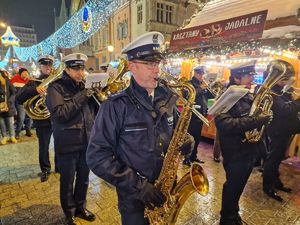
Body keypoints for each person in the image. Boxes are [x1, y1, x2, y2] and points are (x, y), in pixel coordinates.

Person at [86, 32, 193, 225]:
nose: (156, 70)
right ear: (133, 67)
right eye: (150, 64)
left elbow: (178, 131)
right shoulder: (115, 105)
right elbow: (96, 157)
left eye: (158, 64)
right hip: (134, 198)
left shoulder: (168, 97)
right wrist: (139, 186)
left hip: (166, 189)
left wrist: (187, 140)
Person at [215, 61, 272, 225]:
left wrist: (264, 118)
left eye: (252, 76)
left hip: (248, 149)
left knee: (238, 186)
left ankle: (233, 213)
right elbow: (224, 124)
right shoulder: (227, 96)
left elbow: (251, 117)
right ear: (237, 78)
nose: (252, 79)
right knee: (233, 186)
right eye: (248, 76)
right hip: (235, 151)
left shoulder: (246, 94)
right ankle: (227, 219)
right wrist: (256, 120)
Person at [46, 53, 98, 225]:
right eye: (76, 68)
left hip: (87, 141)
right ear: (67, 69)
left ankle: (80, 208)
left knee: (84, 179)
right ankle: (69, 213)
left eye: (82, 68)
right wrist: (84, 94)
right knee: (67, 181)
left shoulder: (84, 86)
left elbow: (94, 113)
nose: (80, 72)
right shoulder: (56, 88)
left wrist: (99, 96)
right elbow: (60, 114)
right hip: (67, 143)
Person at [16, 55, 58, 182]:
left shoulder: (57, 81)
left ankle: (60, 166)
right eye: (45, 65)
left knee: (60, 144)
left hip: (57, 118)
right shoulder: (33, 81)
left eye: (50, 65)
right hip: (43, 120)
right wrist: (35, 90)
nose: (48, 67)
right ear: (40, 66)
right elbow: (19, 98)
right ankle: (45, 169)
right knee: (44, 146)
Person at [263, 61, 298, 202]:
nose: (285, 82)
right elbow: (285, 110)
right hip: (276, 130)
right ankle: (268, 186)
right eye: (283, 79)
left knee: (277, 159)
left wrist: (291, 94)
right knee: (272, 160)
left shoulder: (280, 90)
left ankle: (276, 182)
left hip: (285, 130)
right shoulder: (270, 91)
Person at [183, 66, 214, 166]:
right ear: (195, 73)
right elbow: (187, 96)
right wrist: (200, 89)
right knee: (190, 139)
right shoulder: (189, 84)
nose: (201, 76)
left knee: (197, 138)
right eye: (200, 74)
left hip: (201, 116)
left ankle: (194, 156)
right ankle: (186, 158)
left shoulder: (202, 84)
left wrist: (208, 88)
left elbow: (212, 96)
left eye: (202, 74)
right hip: (192, 116)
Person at [10, 67, 33, 139]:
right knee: (21, 117)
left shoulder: (31, 81)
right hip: (20, 103)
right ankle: (17, 132)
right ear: (20, 74)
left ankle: (28, 130)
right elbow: (12, 92)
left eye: (26, 72)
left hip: (29, 102)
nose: (25, 73)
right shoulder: (14, 80)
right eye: (23, 72)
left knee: (30, 117)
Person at [0, 69, 17, 144]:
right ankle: (4, 137)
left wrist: (10, 101)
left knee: (10, 122)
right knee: (1, 122)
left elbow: (14, 92)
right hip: (0, 106)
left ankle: (12, 136)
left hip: (9, 105)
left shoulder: (8, 82)